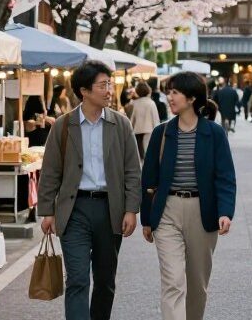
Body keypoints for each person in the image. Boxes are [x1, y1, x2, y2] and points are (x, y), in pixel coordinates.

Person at [37, 61, 142, 320]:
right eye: (103, 85)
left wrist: (131, 209)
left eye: (110, 83)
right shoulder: (63, 126)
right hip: (75, 211)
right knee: (78, 279)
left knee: (105, 281)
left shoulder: (121, 124)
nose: (109, 90)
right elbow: (50, 171)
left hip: (110, 209)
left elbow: (132, 170)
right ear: (84, 91)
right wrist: (47, 211)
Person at [141, 71, 236, 320]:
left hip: (202, 211)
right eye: (168, 92)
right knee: (173, 281)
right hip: (167, 210)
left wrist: (225, 212)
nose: (169, 97)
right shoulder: (162, 133)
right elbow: (149, 178)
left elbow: (225, 177)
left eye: (175, 92)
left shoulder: (214, 134)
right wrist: (147, 219)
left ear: (192, 98)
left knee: (197, 284)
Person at [130, 81, 161, 159]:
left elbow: (132, 118)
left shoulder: (134, 103)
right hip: (149, 131)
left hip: (137, 131)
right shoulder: (151, 103)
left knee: (139, 155)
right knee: (148, 154)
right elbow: (155, 119)